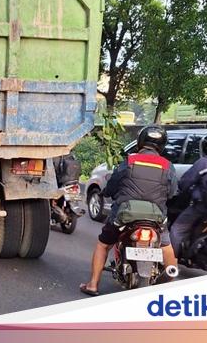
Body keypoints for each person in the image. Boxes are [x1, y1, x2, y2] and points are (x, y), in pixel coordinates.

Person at [80, 125, 178, 296]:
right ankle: (170, 283)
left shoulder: (130, 161)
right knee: (166, 246)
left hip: (124, 216)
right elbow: (172, 192)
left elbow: (113, 185)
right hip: (156, 218)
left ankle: (93, 285)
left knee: (103, 245)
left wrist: (107, 192)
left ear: (140, 142)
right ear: (162, 145)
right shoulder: (168, 166)